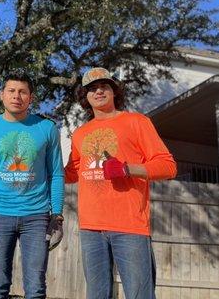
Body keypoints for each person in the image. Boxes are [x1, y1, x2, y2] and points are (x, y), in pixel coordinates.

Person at [65, 67, 177, 299]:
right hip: (90, 227)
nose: (98, 92)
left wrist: (128, 169)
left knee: (139, 294)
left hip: (130, 225)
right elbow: (72, 172)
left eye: (104, 86)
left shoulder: (137, 122)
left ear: (114, 91)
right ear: (85, 97)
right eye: (92, 89)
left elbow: (168, 166)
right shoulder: (80, 133)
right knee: (97, 295)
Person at [0, 70, 65, 299]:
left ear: (31, 97)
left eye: (23, 92)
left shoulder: (46, 129)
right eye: (11, 91)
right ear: (1, 95)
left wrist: (57, 215)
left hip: (37, 216)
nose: (17, 96)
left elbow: (56, 174)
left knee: (35, 288)